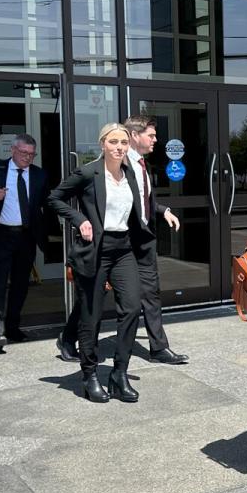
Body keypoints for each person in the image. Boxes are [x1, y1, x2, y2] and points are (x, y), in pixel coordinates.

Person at [55, 115, 187, 365]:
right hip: (114, 242)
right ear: (135, 136)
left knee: (150, 293)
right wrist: (82, 220)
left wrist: (163, 210)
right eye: (151, 135)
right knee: (94, 298)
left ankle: (159, 347)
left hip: (140, 241)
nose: (155, 140)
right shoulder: (112, 164)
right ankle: (69, 337)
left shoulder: (140, 166)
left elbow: (142, 202)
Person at [48, 123, 153, 403]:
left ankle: (120, 373)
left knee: (132, 308)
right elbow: (54, 198)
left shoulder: (130, 173)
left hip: (123, 248)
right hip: (96, 250)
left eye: (123, 143)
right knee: (91, 316)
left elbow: (139, 207)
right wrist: (80, 220)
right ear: (102, 145)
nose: (119, 147)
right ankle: (90, 375)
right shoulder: (88, 172)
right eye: (113, 142)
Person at [0, 134, 49, 352]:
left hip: (26, 237)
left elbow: (46, 202)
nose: (27, 158)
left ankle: (13, 327)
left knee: (20, 285)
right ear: (13, 151)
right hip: (1, 236)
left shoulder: (39, 175)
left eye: (31, 154)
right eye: (23, 153)